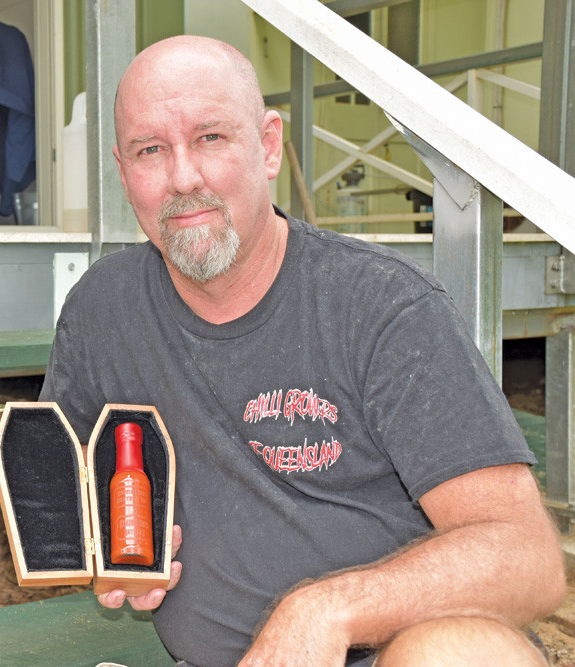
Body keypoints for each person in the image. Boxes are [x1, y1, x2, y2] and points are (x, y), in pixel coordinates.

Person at [39, 35, 565, 666]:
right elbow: (61, 494)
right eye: (151, 150)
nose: (184, 178)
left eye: (210, 138)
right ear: (125, 176)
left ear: (266, 146)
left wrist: (327, 609)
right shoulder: (103, 310)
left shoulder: (382, 305)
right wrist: (107, 554)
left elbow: (527, 560)